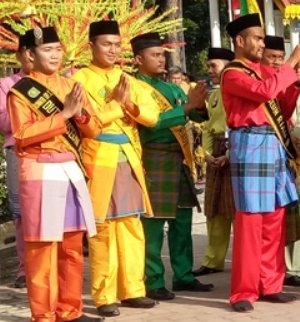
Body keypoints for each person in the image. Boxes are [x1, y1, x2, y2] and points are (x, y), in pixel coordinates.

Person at [9, 27, 103, 322]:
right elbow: (22, 135)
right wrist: (62, 115)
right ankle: (44, 314)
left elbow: (93, 129)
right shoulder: (20, 92)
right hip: (40, 171)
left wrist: (80, 114)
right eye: (47, 50)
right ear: (29, 55)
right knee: (42, 250)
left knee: (72, 248)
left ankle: (69, 309)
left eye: (58, 50)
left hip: (70, 171)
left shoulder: (69, 85)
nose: (54, 55)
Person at [72, 20, 160, 317]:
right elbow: (88, 121)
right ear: (91, 46)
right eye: (106, 44)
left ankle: (133, 289)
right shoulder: (80, 79)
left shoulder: (128, 79)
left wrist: (131, 107)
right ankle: (104, 294)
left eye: (116, 44)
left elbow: (152, 115)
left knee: (131, 224)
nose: (112, 49)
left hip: (129, 158)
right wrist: (118, 106)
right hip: (100, 158)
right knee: (102, 228)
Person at [220, 14, 300, 313]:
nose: (261, 43)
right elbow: (264, 93)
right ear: (240, 41)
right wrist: (290, 63)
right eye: (256, 38)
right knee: (250, 222)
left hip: (274, 144)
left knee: (275, 218)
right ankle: (243, 291)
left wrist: (295, 82)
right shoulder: (233, 72)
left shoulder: (264, 70)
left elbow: (281, 105)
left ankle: (271, 284)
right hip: (250, 144)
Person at [130, 33, 213, 300]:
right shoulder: (133, 87)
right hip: (153, 159)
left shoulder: (174, 87)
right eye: (155, 55)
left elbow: (195, 114)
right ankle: (153, 280)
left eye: (162, 54)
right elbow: (152, 121)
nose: (161, 59)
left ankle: (184, 275)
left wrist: (200, 105)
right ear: (138, 59)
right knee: (153, 225)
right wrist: (188, 107)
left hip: (180, 159)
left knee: (182, 222)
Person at [260, 34, 300, 288]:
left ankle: (292, 268)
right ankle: (269, 269)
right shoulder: (259, 81)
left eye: (281, 57)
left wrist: (298, 135)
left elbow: (297, 116)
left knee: (293, 213)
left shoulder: (288, 80)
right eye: (273, 58)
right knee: (268, 216)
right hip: (265, 156)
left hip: (290, 155)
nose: (278, 63)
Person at [193, 47, 236, 277]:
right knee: (214, 211)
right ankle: (212, 260)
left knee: (237, 211)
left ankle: (242, 260)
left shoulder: (239, 91)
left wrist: (229, 155)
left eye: (214, 65)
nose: (209, 70)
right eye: (208, 66)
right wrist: (207, 153)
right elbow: (209, 127)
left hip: (236, 153)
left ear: (229, 66)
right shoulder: (215, 95)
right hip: (215, 155)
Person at [0, 33, 33, 289]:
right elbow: (4, 122)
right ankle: (25, 268)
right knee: (23, 213)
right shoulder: (6, 84)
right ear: (19, 55)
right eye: (29, 51)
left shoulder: (61, 83)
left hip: (54, 153)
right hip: (19, 151)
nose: (34, 55)